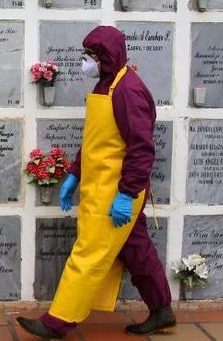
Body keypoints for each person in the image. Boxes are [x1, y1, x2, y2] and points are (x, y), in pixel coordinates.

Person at [17, 26, 175, 339]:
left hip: (116, 190)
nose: (85, 62)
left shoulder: (128, 90)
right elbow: (96, 139)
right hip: (99, 184)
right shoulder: (107, 85)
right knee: (135, 248)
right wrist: (75, 173)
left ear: (106, 56)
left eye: (91, 56)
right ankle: (161, 310)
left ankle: (58, 322)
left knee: (88, 251)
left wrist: (127, 194)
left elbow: (141, 147)